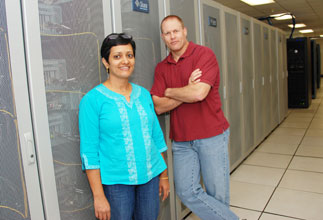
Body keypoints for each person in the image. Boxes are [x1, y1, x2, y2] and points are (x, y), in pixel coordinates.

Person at [151, 15, 240, 220]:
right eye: (167, 33)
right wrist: (187, 90)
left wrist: (170, 92)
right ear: (163, 37)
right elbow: (157, 106)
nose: (172, 36)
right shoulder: (162, 68)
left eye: (176, 31)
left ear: (184, 31)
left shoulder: (204, 55)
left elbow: (199, 94)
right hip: (181, 140)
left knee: (217, 195)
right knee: (186, 191)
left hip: (212, 135)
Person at [79, 33, 170, 220]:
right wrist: (99, 197)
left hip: (150, 177)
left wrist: (164, 177)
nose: (125, 61)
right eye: (117, 56)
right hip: (116, 184)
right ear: (106, 62)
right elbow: (89, 152)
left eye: (129, 55)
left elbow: (156, 138)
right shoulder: (92, 100)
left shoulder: (144, 94)